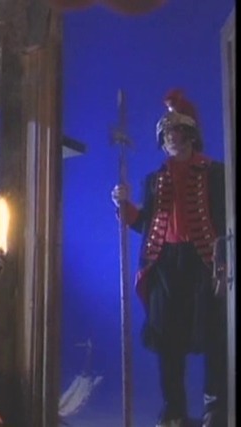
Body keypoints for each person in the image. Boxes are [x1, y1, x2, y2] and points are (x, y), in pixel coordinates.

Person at [111, 89, 227, 427]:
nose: (173, 138)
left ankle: (215, 406)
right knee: (167, 339)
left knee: (214, 333)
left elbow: (225, 216)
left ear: (190, 135)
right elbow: (147, 224)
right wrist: (123, 206)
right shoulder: (154, 179)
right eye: (168, 133)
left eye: (179, 131)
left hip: (204, 261)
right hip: (163, 264)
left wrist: (224, 261)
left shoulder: (215, 173)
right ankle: (174, 409)